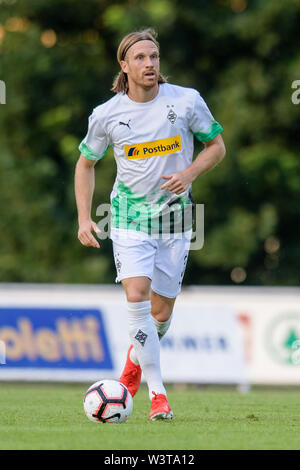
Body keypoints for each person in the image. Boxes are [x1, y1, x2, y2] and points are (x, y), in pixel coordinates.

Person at [75, 28, 226, 421]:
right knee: (137, 298)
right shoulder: (106, 115)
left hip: (176, 222)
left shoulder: (187, 101)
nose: (149, 64)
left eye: (154, 57)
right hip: (127, 219)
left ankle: (133, 362)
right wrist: (84, 217)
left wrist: (189, 174)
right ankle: (158, 395)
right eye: (140, 58)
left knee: (160, 314)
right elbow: (85, 164)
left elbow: (217, 147)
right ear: (124, 66)